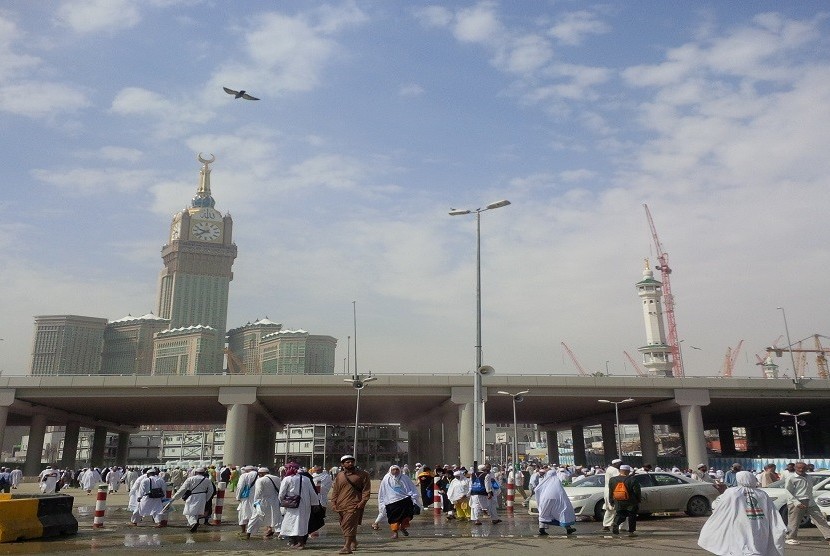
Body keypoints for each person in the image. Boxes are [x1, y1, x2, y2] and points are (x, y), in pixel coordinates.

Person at [698, 471, 785, 555]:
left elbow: (720, 505)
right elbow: (772, 512)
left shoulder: (732, 492)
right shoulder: (762, 493)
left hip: (740, 523)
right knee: (758, 546)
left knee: (741, 546)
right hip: (760, 524)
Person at [330, 454, 371, 555]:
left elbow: (366, 490)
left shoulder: (363, 475)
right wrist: (333, 502)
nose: (350, 463)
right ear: (342, 464)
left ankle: (347, 547)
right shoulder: (340, 475)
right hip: (341, 504)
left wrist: (363, 502)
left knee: (348, 524)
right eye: (347, 462)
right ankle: (353, 541)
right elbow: (335, 490)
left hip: (354, 504)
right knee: (345, 525)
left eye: (352, 462)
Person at [783, 461, 830, 545]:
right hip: (797, 501)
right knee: (794, 521)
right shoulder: (791, 478)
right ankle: (790, 537)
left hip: (810, 501)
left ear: (806, 468)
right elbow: (788, 492)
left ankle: (828, 537)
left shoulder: (809, 477)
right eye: (799, 468)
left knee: (820, 518)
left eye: (803, 468)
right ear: (795, 468)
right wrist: (796, 502)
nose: (801, 469)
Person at [278, 462, 319, 549]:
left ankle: (298, 543)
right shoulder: (306, 479)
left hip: (292, 505)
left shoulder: (287, 479)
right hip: (305, 505)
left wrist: (282, 502)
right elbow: (312, 492)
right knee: (302, 523)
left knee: (291, 523)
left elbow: (281, 494)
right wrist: (315, 504)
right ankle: (298, 542)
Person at [166, 466, 216, 533]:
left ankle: (193, 523)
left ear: (196, 472)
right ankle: (193, 524)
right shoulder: (207, 480)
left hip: (192, 496)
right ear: (203, 473)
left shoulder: (190, 479)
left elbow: (182, 489)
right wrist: (206, 498)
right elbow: (211, 490)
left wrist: (174, 497)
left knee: (188, 512)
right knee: (197, 512)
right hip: (202, 496)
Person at [377, 465, 419, 539]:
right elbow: (382, 491)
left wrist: (414, 497)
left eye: (397, 470)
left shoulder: (405, 478)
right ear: (390, 470)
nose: (395, 471)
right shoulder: (386, 478)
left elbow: (412, 487)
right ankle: (395, 533)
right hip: (392, 502)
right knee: (394, 519)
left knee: (406, 516)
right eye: (393, 470)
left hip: (405, 499)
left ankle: (403, 528)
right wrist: (383, 501)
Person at [241, 467, 281, 540]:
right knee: (275, 517)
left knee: (255, 517)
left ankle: (248, 533)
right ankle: (279, 533)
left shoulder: (260, 480)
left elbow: (258, 492)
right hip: (275, 501)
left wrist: (256, 503)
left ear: (261, 473)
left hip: (263, 501)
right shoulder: (277, 478)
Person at [535, 469, 576, 537]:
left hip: (546, 500)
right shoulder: (557, 481)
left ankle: (541, 529)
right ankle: (568, 528)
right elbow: (561, 492)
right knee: (562, 511)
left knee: (544, 513)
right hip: (558, 499)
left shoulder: (545, 481)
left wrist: (540, 499)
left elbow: (537, 489)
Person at [607, 464, 641, 537]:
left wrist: (611, 500)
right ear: (628, 471)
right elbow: (637, 491)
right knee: (632, 516)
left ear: (620, 471)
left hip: (618, 500)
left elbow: (610, 491)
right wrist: (638, 499)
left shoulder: (612, 479)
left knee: (620, 514)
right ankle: (631, 532)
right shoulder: (632, 479)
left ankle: (616, 523)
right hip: (631, 501)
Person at [235, 465, 258, 534]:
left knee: (243, 513)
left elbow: (240, 487)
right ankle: (252, 530)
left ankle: (243, 530)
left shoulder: (244, 476)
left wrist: (238, 497)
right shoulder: (260, 475)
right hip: (257, 497)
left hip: (246, 497)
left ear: (247, 470)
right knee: (254, 513)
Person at [602, 458, 622, 532]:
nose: (621, 465)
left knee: (610, 509)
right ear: (615, 464)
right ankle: (619, 526)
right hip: (613, 491)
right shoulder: (614, 470)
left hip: (607, 491)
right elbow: (619, 479)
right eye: (620, 463)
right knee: (616, 509)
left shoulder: (609, 469)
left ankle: (606, 525)